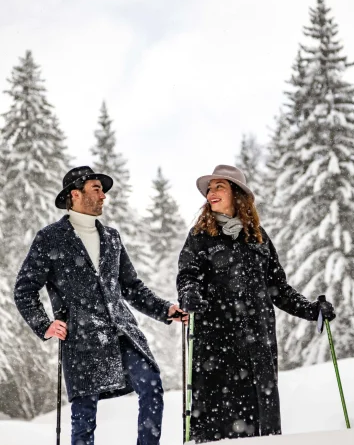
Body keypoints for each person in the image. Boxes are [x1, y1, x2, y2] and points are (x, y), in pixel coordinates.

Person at [14, 166, 187, 445]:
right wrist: (44, 324)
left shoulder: (112, 237)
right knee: (84, 417)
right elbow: (24, 290)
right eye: (96, 189)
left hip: (123, 333)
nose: (104, 195)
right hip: (81, 340)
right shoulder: (50, 238)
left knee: (151, 385)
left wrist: (164, 309)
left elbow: (132, 287)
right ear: (75, 194)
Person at [177, 164, 335, 443]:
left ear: (237, 194)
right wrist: (190, 294)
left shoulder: (258, 238)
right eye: (209, 189)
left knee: (261, 423)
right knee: (219, 420)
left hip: (258, 343)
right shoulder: (200, 237)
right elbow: (187, 275)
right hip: (217, 343)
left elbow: (279, 289)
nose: (211, 193)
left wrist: (311, 310)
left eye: (219, 187)